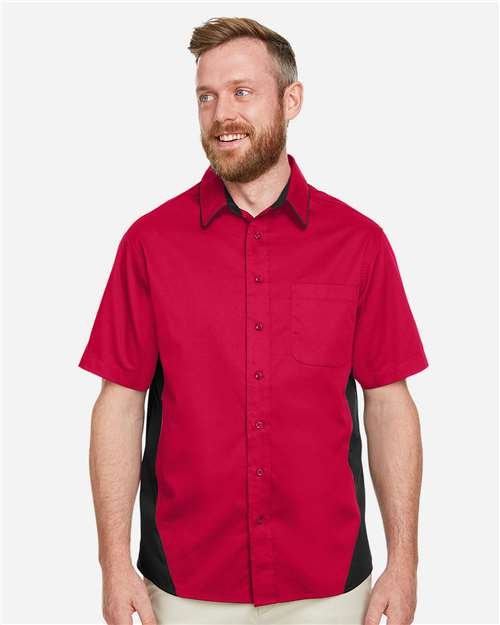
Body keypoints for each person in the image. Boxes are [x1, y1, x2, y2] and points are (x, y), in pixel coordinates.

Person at [78, 16, 429, 625]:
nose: (222, 114)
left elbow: (388, 402)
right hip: (184, 586)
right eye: (206, 96)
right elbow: (120, 403)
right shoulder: (149, 244)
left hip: (329, 584)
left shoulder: (360, 243)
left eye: (242, 91)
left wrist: (405, 562)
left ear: (291, 100)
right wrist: (113, 563)